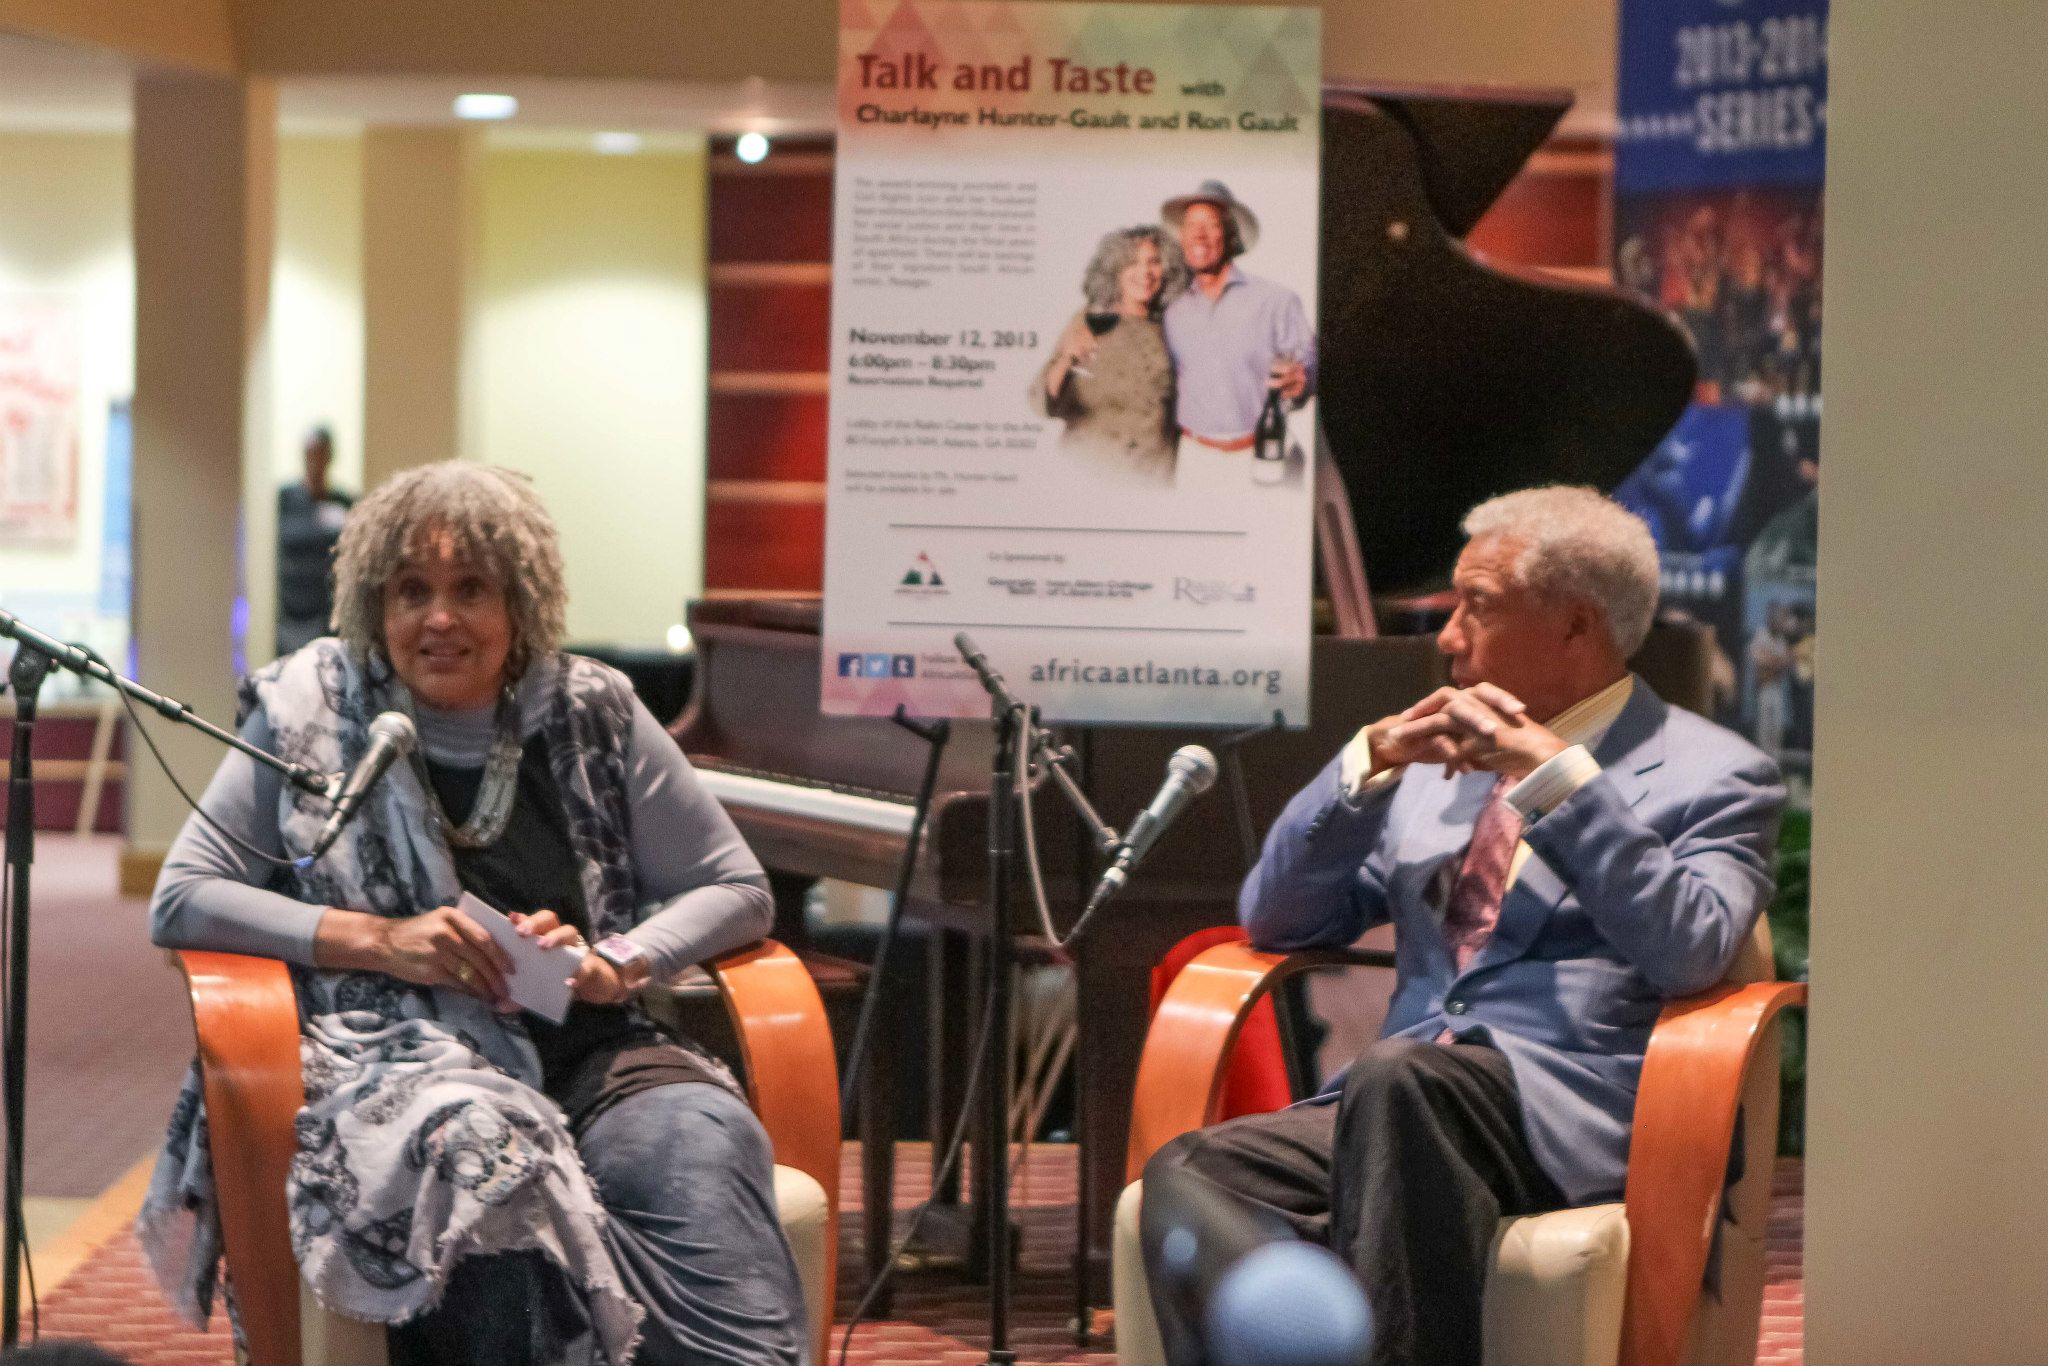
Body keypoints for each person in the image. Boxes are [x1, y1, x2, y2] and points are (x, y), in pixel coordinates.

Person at [139, 463, 805, 1366]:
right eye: (411, 591)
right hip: (394, 1060)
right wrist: (379, 940)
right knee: (481, 1159)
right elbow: (182, 896)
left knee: (702, 1133)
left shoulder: (592, 712)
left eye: (471, 590)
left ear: (520, 605)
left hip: (590, 1051)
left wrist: (619, 959)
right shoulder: (311, 712)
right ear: (375, 604)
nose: (438, 618)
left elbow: (736, 886)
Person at [1140, 486, 1785, 1366]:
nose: (1446, 638)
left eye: (1475, 608)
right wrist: (1366, 766)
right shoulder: (1435, 769)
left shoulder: (1716, 775)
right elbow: (1276, 917)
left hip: (1567, 1111)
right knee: (1192, 1172)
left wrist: (1556, 781)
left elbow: (1693, 949)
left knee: (1404, 1079)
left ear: (1575, 626)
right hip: (1397, 1104)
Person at [1157, 181, 1317, 496]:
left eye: (1211, 225)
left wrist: (1305, 377)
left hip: (1262, 457)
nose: (1199, 234)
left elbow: (1311, 362)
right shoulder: (1169, 307)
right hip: (1192, 458)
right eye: (1191, 226)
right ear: (1182, 238)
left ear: (1230, 236)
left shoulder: (1276, 300)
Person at [1032, 225, 1187, 484]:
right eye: (1131, 263)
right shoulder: (1091, 319)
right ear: (1115, 270)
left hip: (1154, 475)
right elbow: (1044, 402)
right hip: (1091, 471)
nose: (1145, 272)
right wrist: (1067, 358)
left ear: (1167, 269)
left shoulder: (1172, 327)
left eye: (1154, 262)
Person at [276, 425, 355, 657]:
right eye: (310, 454)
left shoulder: (344, 503)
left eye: (320, 454)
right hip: (289, 617)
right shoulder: (284, 501)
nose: (315, 461)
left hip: (327, 617)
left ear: (330, 457)